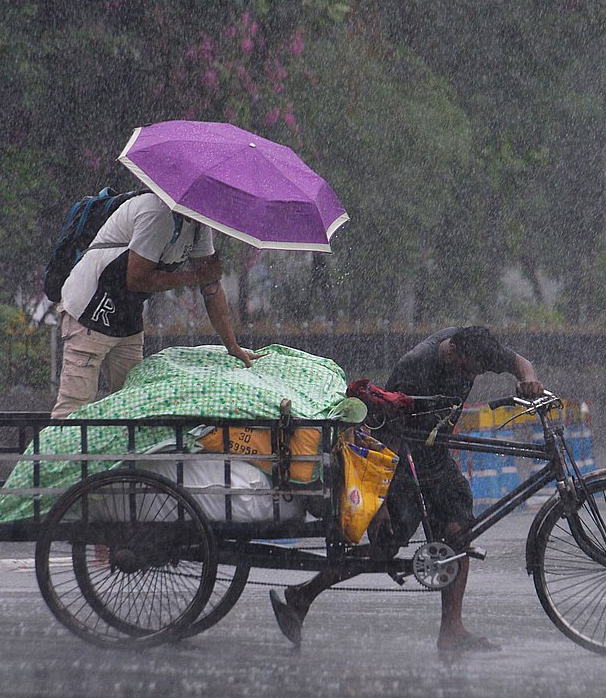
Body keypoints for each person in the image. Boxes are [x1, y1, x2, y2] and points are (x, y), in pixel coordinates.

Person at [268, 325, 544, 653]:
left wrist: (529, 378)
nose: (473, 376)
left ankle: (452, 630)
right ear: (455, 354)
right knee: (386, 546)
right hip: (401, 464)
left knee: (457, 534)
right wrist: (380, 503)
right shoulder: (415, 368)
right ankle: (302, 595)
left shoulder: (477, 345)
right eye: (470, 370)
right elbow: (384, 435)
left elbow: (518, 361)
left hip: (436, 458)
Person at [50, 192, 257, 418]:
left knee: (132, 406)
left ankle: (119, 453)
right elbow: (137, 278)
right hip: (89, 310)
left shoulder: (198, 228)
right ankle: (59, 453)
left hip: (126, 318)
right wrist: (195, 276)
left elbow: (211, 287)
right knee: (74, 408)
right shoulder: (156, 213)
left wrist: (233, 346)